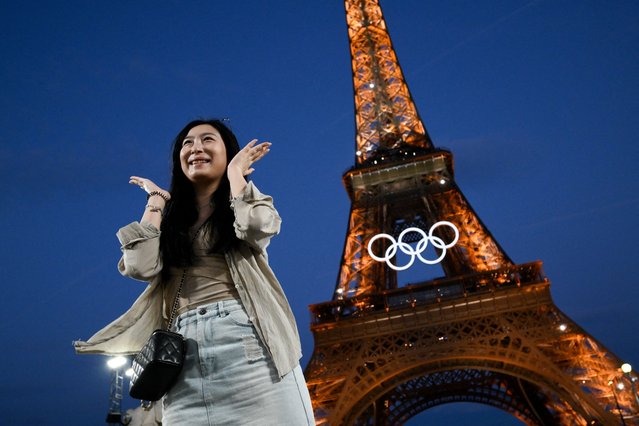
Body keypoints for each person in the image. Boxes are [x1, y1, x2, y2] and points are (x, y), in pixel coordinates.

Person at [75, 119, 315, 425]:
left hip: (249, 347)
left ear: (228, 153)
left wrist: (235, 175)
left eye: (207, 140)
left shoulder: (240, 202)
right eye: (187, 143)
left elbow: (257, 225)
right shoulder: (170, 222)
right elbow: (139, 266)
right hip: (182, 358)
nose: (196, 147)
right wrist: (156, 201)